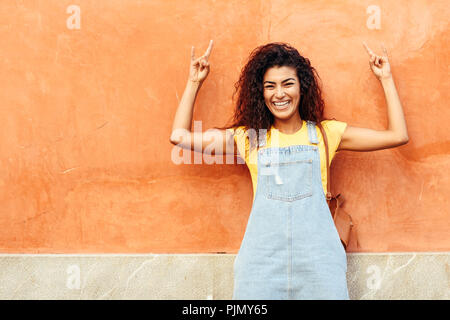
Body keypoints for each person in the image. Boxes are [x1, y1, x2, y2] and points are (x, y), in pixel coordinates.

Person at [169, 40, 408, 300]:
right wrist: (195, 82)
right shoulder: (250, 138)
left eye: (287, 84)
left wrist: (386, 78)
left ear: (302, 88)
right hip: (261, 267)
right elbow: (179, 137)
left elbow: (398, 135)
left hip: (320, 266)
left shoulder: (325, 134)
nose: (279, 94)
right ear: (260, 93)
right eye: (269, 86)